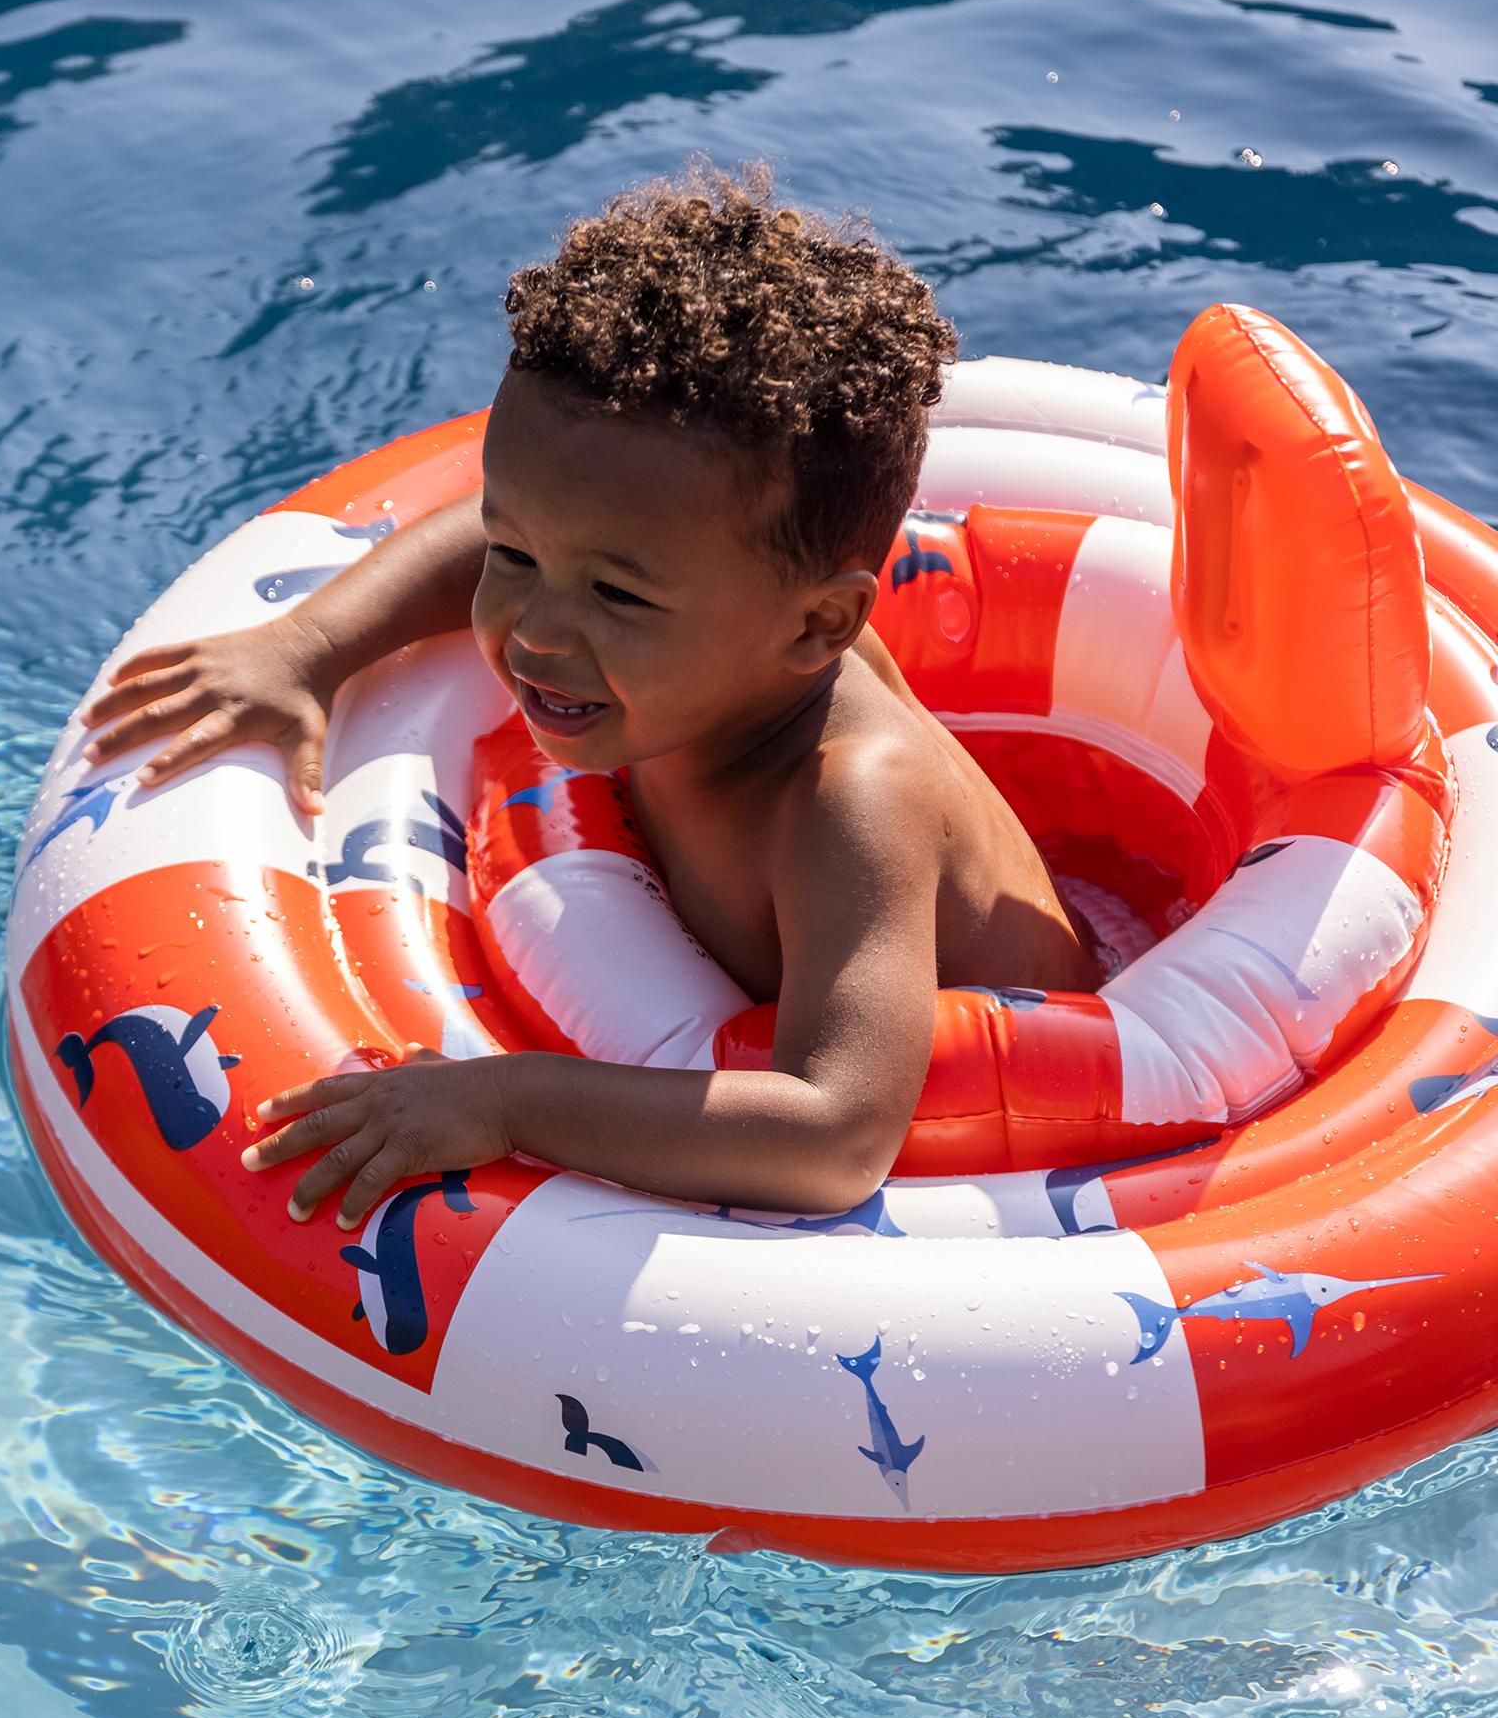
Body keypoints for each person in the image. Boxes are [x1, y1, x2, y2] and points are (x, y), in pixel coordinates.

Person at [79, 163, 1103, 1229]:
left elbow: (837, 1134)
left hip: (1016, 1133)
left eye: (615, 592)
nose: (532, 629)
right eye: (518, 555)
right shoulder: (693, 651)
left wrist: (506, 1098)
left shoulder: (847, 802)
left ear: (815, 626)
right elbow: (486, 533)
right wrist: (309, 647)